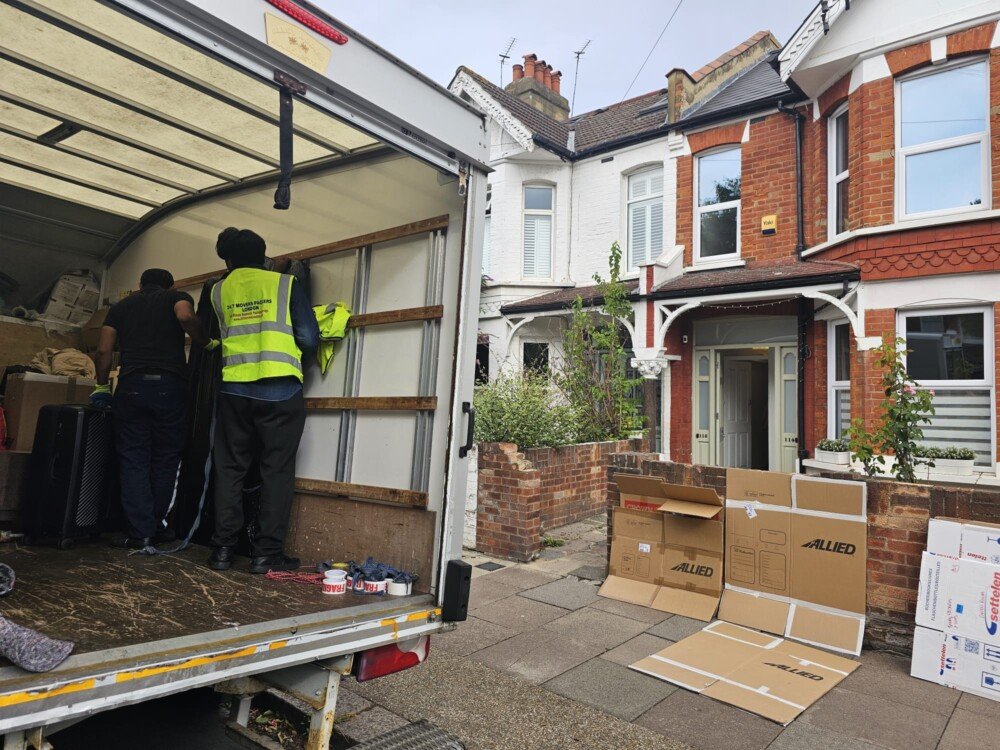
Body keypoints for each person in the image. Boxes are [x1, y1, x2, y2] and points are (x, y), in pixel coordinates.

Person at [207, 228, 319, 574]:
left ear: (228, 259)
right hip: (280, 390)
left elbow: (218, 336)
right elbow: (309, 337)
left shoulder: (218, 291)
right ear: (264, 255)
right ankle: (265, 554)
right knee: (276, 471)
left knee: (229, 469)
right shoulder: (284, 285)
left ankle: (223, 550)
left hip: (235, 391)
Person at [91, 268, 214, 549]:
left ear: (140, 284)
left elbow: (103, 350)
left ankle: (140, 531)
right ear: (169, 285)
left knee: (133, 459)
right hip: (171, 387)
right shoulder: (177, 298)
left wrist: (100, 386)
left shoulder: (121, 307)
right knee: (166, 459)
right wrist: (205, 342)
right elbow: (185, 316)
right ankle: (156, 526)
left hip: (132, 386)